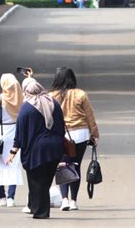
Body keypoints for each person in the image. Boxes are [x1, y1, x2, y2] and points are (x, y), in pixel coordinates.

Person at [6, 75, 65, 219]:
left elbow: (19, 134)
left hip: (37, 151)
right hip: (55, 148)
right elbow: (62, 126)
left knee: (37, 181)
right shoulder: (54, 104)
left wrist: (13, 152)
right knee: (45, 181)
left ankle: (41, 212)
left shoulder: (26, 108)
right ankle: (35, 206)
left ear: (27, 92)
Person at [48, 67, 100, 211]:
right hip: (80, 133)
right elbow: (90, 115)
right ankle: (74, 201)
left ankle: (64, 199)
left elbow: (48, 118)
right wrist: (94, 134)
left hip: (61, 134)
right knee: (76, 165)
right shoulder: (81, 94)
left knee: (63, 165)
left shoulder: (51, 96)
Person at [0, 74, 24, 207]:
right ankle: (11, 197)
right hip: (14, 134)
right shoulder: (20, 99)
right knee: (13, 164)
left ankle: (2, 197)